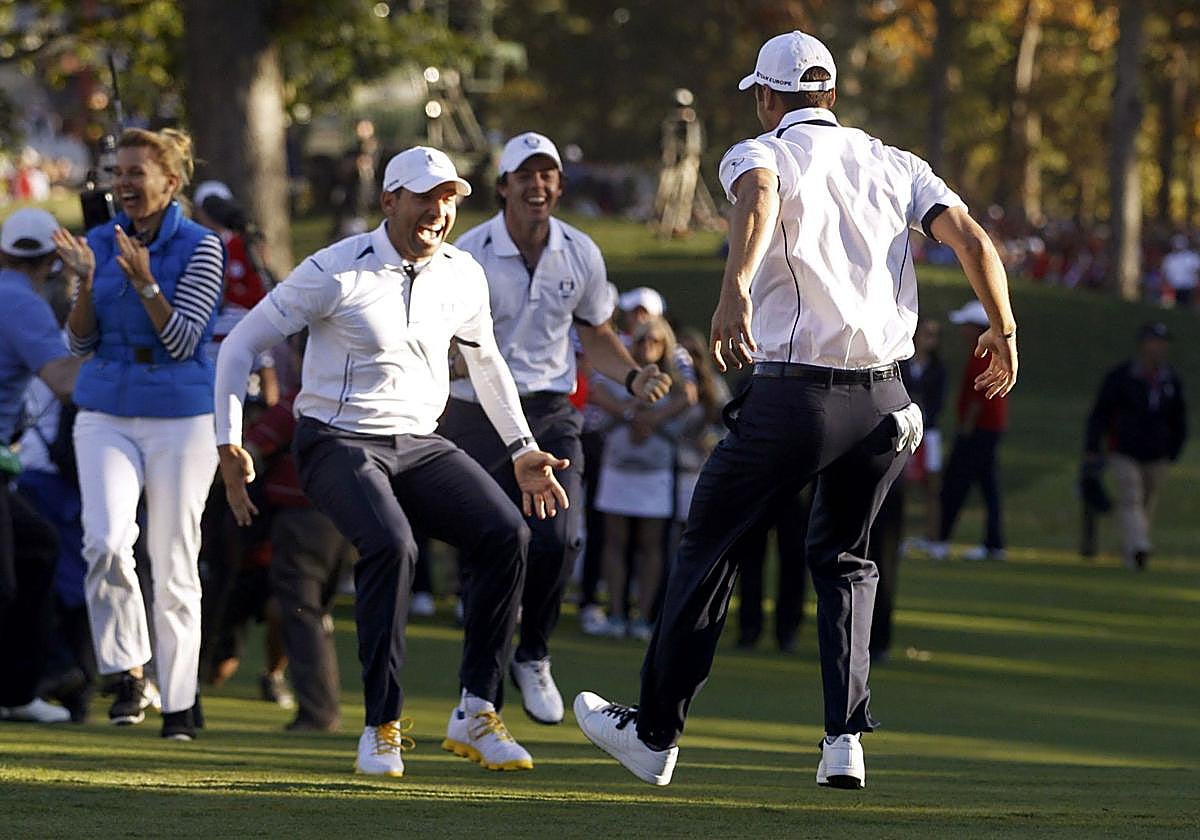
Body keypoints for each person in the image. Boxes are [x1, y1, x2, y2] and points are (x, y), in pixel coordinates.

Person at [574, 30, 1018, 791]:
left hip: (797, 394)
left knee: (710, 548)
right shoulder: (897, 161)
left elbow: (759, 197)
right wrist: (1004, 330)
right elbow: (972, 238)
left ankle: (654, 735)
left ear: (765, 97)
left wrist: (735, 285)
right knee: (847, 561)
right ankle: (844, 738)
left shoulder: (759, 152)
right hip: (884, 401)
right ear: (834, 94)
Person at [214, 146, 571, 778]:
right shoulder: (336, 269)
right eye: (426, 196)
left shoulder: (463, 273)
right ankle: (382, 727)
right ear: (389, 201)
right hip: (335, 441)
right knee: (392, 546)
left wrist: (520, 449)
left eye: (450, 198)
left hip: (419, 442)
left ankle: (477, 709)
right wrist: (229, 441)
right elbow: (241, 344)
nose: (440, 211)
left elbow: (486, 364)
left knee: (507, 533)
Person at [443, 132, 670, 724]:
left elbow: (596, 336)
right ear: (503, 186)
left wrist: (633, 376)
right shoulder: (467, 253)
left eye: (547, 175)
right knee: (494, 545)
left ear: (559, 186)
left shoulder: (581, 253)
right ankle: (479, 692)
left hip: (548, 409)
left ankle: (533, 654)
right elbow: (442, 339)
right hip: (477, 412)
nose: (537, 185)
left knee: (561, 538)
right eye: (525, 175)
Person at [59, 127, 225, 741]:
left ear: (170, 182)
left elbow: (183, 342)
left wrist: (144, 281)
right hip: (105, 406)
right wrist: (83, 282)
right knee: (103, 540)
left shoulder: (205, 246)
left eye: (136, 173)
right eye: (118, 173)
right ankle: (128, 671)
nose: (123, 184)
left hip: (181, 415)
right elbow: (79, 342)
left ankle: (181, 702)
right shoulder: (97, 242)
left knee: (173, 559)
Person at [0, 208, 81, 724]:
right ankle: (13, 690)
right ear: (52, 260)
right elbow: (66, 382)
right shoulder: (20, 301)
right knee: (7, 579)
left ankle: (15, 690)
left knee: (35, 546)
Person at [591, 316, 682, 641]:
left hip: (654, 472)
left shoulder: (674, 377)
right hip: (619, 467)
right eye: (642, 340)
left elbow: (693, 397)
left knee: (650, 546)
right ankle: (616, 613)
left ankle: (644, 616)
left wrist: (652, 418)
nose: (647, 347)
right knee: (615, 543)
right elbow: (596, 392)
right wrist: (630, 413)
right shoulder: (624, 373)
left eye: (655, 341)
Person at [1084, 322, 1186, 570]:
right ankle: (1139, 545)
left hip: (1158, 454)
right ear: (1143, 344)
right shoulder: (1122, 377)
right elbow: (1101, 413)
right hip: (1124, 450)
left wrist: (1173, 450)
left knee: (1146, 503)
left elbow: (1179, 419)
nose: (1159, 348)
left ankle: (1134, 552)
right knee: (1131, 498)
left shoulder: (1170, 380)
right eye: (1154, 342)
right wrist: (1093, 445)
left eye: (1162, 343)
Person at [929, 300, 1010, 562]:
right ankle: (993, 544)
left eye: (966, 326)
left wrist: (966, 427)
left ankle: (941, 540)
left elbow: (979, 397)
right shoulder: (992, 353)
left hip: (978, 431)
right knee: (989, 487)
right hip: (989, 430)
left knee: (955, 484)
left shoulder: (982, 355)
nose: (962, 331)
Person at [900, 319, 947, 552]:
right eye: (927, 333)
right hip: (906, 431)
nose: (931, 339)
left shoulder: (938, 368)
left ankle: (934, 539)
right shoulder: (904, 363)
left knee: (932, 487)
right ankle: (898, 537)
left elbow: (939, 402)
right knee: (903, 486)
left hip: (930, 433)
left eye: (934, 335)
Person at [1160, 234, 1199, 310]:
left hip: (1188, 287)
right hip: (1173, 287)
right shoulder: (1169, 258)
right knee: (1173, 308)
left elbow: (1196, 271)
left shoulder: (1191, 257)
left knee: (1187, 307)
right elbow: (1164, 273)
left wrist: (1196, 284)